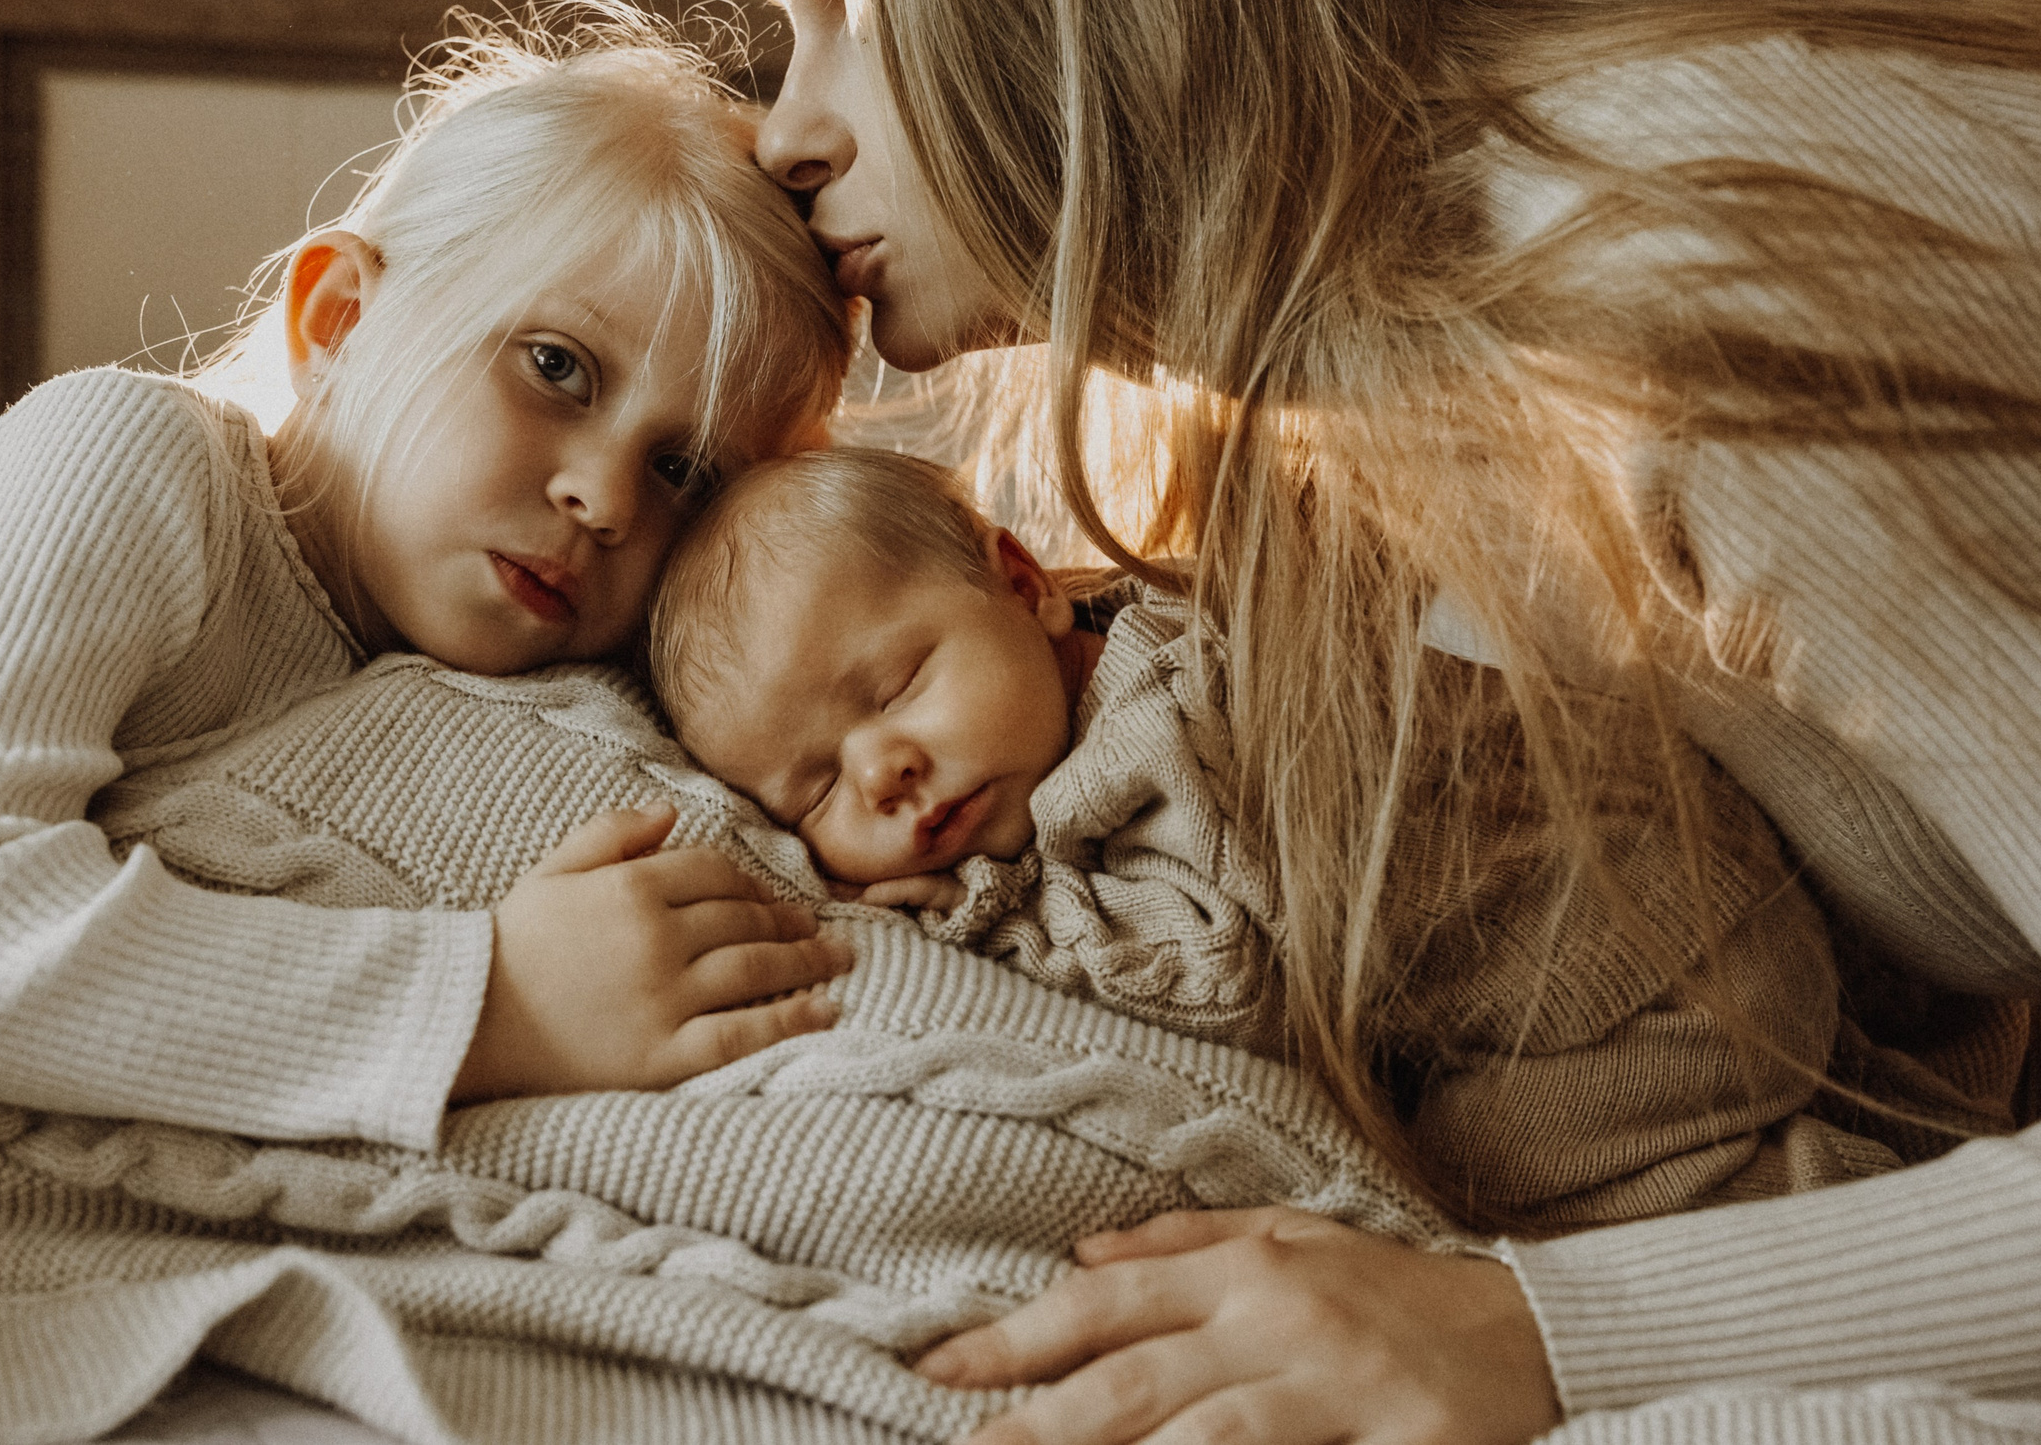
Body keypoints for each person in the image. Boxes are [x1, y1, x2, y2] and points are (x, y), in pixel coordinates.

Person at [749, 0, 2041, 1439]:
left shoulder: (1706, 282)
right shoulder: (1301, 433)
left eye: (845, 1)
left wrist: (1531, 1333)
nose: (783, 128)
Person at [0, 3, 859, 1438]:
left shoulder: (461, 700)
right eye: (555, 367)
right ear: (337, 316)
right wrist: (489, 998)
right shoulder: (138, 458)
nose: (606, 493)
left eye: (686, 471)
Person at [650, 445, 1895, 1232]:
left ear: (1022, 581)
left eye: (895, 687)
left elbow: (1227, 976)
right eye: (812, 792)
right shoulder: (1080, 701)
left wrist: (1001, 922)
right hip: (1631, 946)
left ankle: (1844, 1218)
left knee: (1466, 1189)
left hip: (1659, 984)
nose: (884, 772)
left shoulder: (1160, 728)